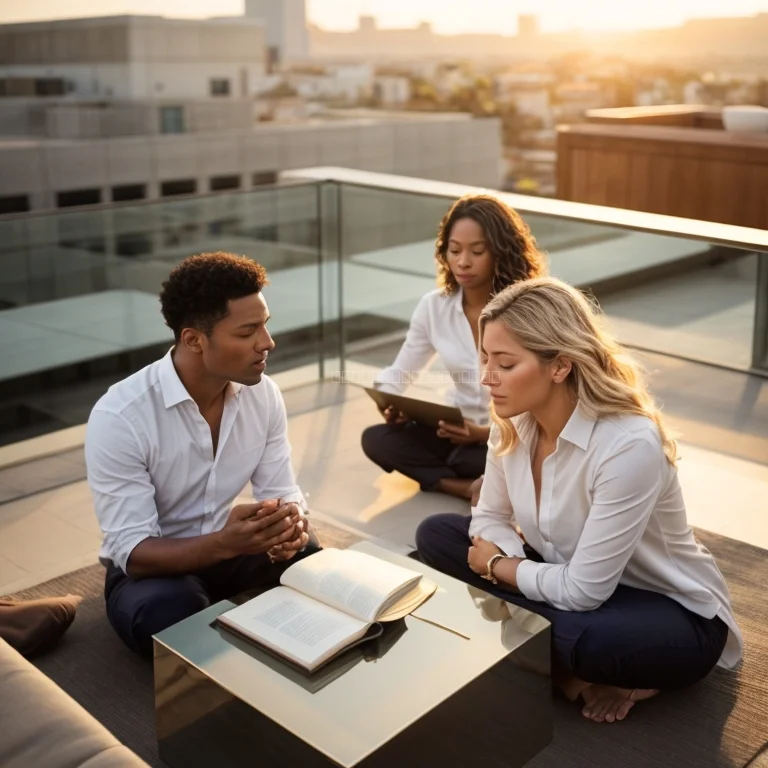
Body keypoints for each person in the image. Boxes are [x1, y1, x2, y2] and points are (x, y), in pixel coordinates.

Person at [416, 276, 743, 722]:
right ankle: (556, 665)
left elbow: (586, 591)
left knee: (583, 638)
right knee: (434, 535)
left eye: (505, 364)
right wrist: (507, 558)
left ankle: (552, 658)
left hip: (667, 610)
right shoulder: (512, 424)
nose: (487, 378)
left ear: (560, 365)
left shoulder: (628, 444)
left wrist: (498, 568)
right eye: (485, 358)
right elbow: (489, 517)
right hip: (563, 580)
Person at [85, 252, 319, 659]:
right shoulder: (120, 417)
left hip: (232, 551)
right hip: (156, 567)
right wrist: (225, 544)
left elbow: (283, 490)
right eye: (248, 332)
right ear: (194, 339)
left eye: (265, 325)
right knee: (170, 611)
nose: (267, 343)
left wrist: (291, 522)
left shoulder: (263, 395)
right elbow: (133, 551)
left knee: (312, 563)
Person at [361, 195, 547, 500]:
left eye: (477, 251)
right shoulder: (434, 307)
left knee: (492, 456)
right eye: (455, 250)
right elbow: (401, 371)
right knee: (377, 439)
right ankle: (463, 487)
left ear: (501, 251)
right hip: (454, 430)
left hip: (511, 435)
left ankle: (454, 478)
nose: (463, 261)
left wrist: (483, 434)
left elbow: (543, 403)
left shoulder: (527, 309)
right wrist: (388, 400)